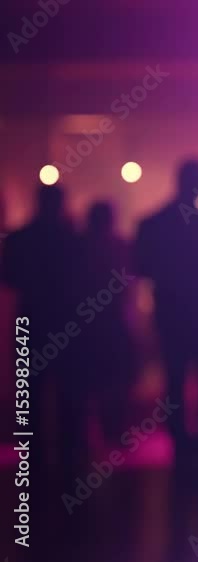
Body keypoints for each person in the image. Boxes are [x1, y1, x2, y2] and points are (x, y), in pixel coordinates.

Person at [135, 159, 198, 467]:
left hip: (174, 315)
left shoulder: (154, 224)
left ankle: (183, 448)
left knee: (176, 381)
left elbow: (141, 268)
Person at [1, 184, 83, 483]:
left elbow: (9, 277)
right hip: (65, 322)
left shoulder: (21, 239)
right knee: (69, 392)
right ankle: (69, 459)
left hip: (31, 319)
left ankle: (34, 457)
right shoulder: (73, 240)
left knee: (31, 393)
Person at [75, 201, 137, 443]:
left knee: (90, 381)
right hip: (115, 322)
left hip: (87, 326)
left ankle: (85, 436)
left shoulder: (79, 247)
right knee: (117, 379)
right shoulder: (120, 246)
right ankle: (116, 429)